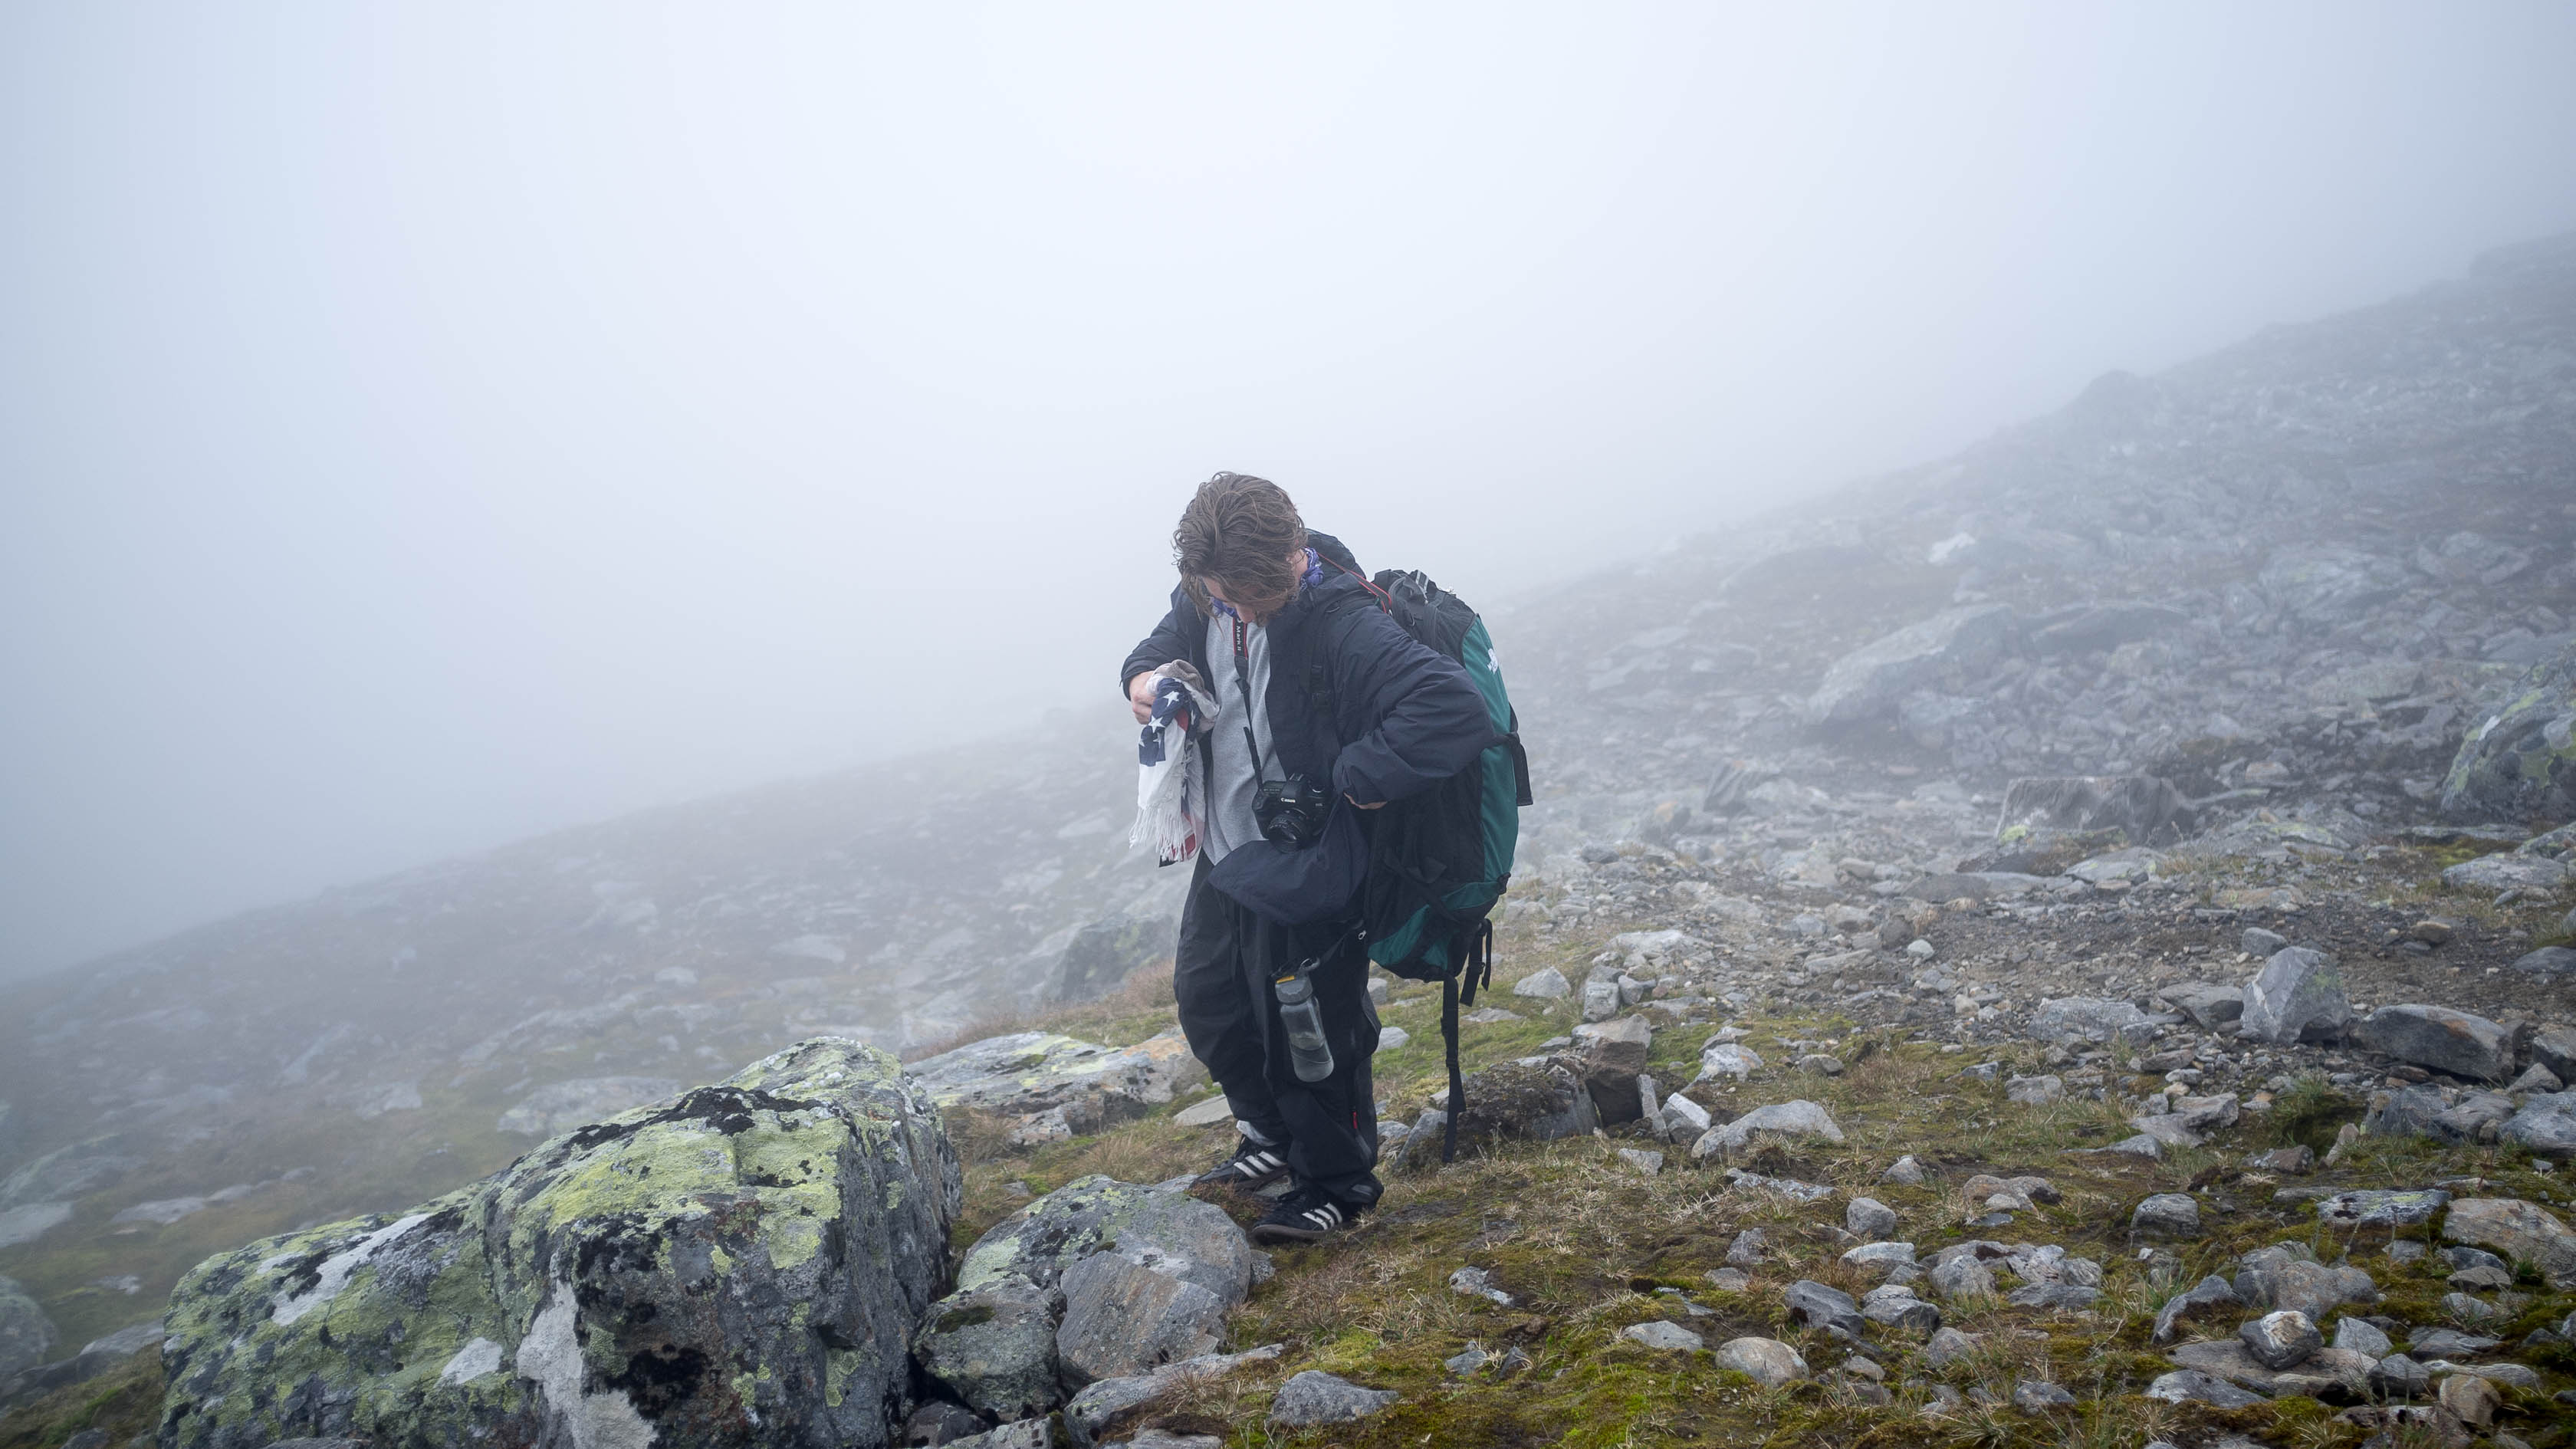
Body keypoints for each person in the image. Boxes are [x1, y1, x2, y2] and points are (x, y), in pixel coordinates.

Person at [1120, 473, 1493, 1244]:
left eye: (1253, 598)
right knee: (1210, 1002)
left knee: (1309, 1030)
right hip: (1227, 853)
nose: (1241, 612)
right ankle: (1269, 1139)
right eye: (1227, 599)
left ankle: (1338, 1182)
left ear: (1294, 555)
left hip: (1312, 861)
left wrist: (1357, 780)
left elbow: (1455, 710)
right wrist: (1147, 681)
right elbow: (1159, 648)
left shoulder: (1342, 621)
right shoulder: (1207, 592)